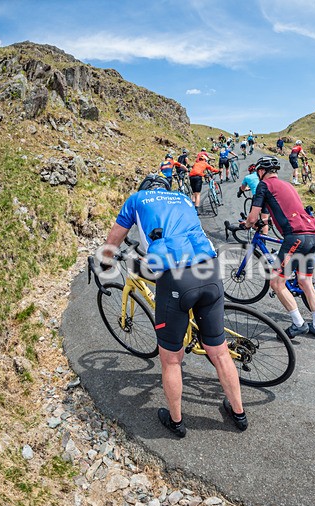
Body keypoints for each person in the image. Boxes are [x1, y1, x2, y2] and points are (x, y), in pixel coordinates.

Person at [99, 175, 247, 437]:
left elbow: (114, 239)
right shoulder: (183, 198)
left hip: (177, 277)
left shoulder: (137, 199)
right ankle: (238, 413)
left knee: (171, 360)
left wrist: (105, 262)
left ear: (145, 189)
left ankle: (176, 422)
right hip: (210, 271)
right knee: (220, 352)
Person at [243, 156, 315, 339]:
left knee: (276, 283)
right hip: (311, 235)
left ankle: (299, 324)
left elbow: (253, 218)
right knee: (305, 282)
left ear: (261, 171)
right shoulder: (287, 184)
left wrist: (246, 224)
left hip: (295, 238)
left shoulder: (264, 185)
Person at [238, 163, 270, 234]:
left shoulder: (247, 177)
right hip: (267, 195)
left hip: (257, 196)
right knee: (264, 220)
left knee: (253, 217)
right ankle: (264, 238)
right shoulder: (262, 175)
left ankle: (254, 227)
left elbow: (242, 188)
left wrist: (240, 192)